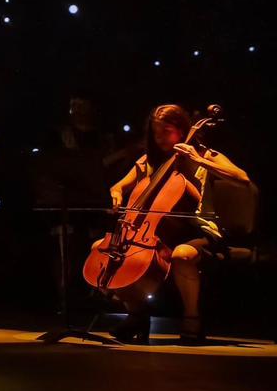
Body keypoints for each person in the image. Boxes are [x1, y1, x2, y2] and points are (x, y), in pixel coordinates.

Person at [104, 104, 250, 343]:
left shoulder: (204, 155)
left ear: (182, 129)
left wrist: (197, 160)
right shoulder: (150, 160)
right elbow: (118, 186)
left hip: (198, 230)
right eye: (155, 132)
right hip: (157, 233)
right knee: (111, 254)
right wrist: (117, 193)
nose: (160, 137)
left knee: (181, 255)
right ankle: (136, 315)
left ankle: (192, 318)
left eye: (166, 131)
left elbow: (242, 178)